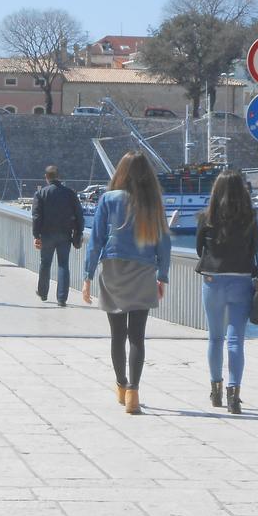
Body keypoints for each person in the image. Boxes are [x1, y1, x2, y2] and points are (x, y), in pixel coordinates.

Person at [82, 151, 171, 415]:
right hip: (144, 270)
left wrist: (87, 276)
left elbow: (96, 240)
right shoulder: (153, 202)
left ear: (120, 172)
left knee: (117, 334)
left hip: (113, 269)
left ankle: (121, 386)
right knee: (137, 337)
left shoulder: (108, 199)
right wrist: (162, 276)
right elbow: (164, 243)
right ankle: (134, 391)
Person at [195, 170, 258, 415]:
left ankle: (216, 391)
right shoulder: (250, 218)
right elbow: (255, 247)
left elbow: (199, 247)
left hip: (213, 280)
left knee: (215, 337)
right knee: (236, 339)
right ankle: (235, 394)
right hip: (241, 280)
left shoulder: (206, 217)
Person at [32, 165, 85, 307]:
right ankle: (62, 298)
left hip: (46, 234)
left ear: (46, 177)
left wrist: (36, 235)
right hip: (65, 234)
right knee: (63, 265)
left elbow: (36, 216)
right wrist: (78, 233)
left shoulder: (41, 194)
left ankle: (43, 293)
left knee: (45, 263)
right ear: (58, 176)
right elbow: (79, 215)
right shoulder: (69, 193)